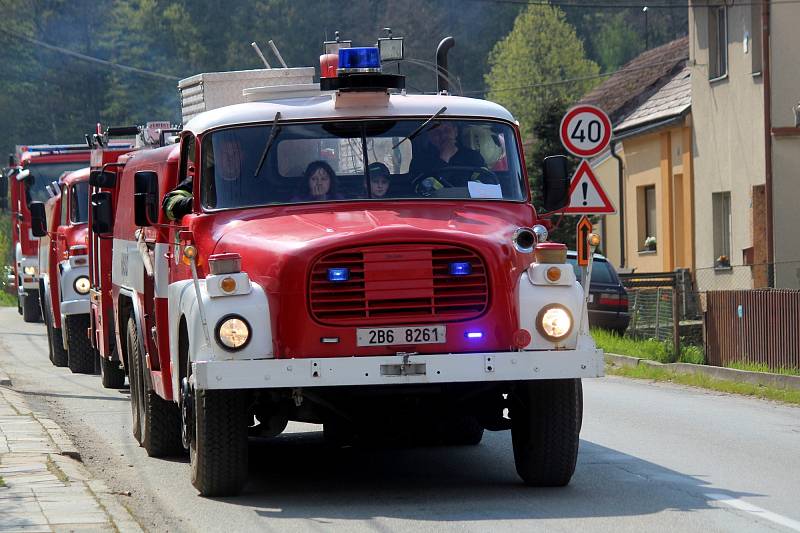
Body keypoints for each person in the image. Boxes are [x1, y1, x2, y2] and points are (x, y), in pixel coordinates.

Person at [163, 131, 244, 220]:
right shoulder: (202, 180)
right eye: (225, 154)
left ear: (242, 156)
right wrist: (195, 203)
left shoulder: (253, 181)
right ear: (217, 157)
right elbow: (169, 203)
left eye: (235, 153)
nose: (230, 159)